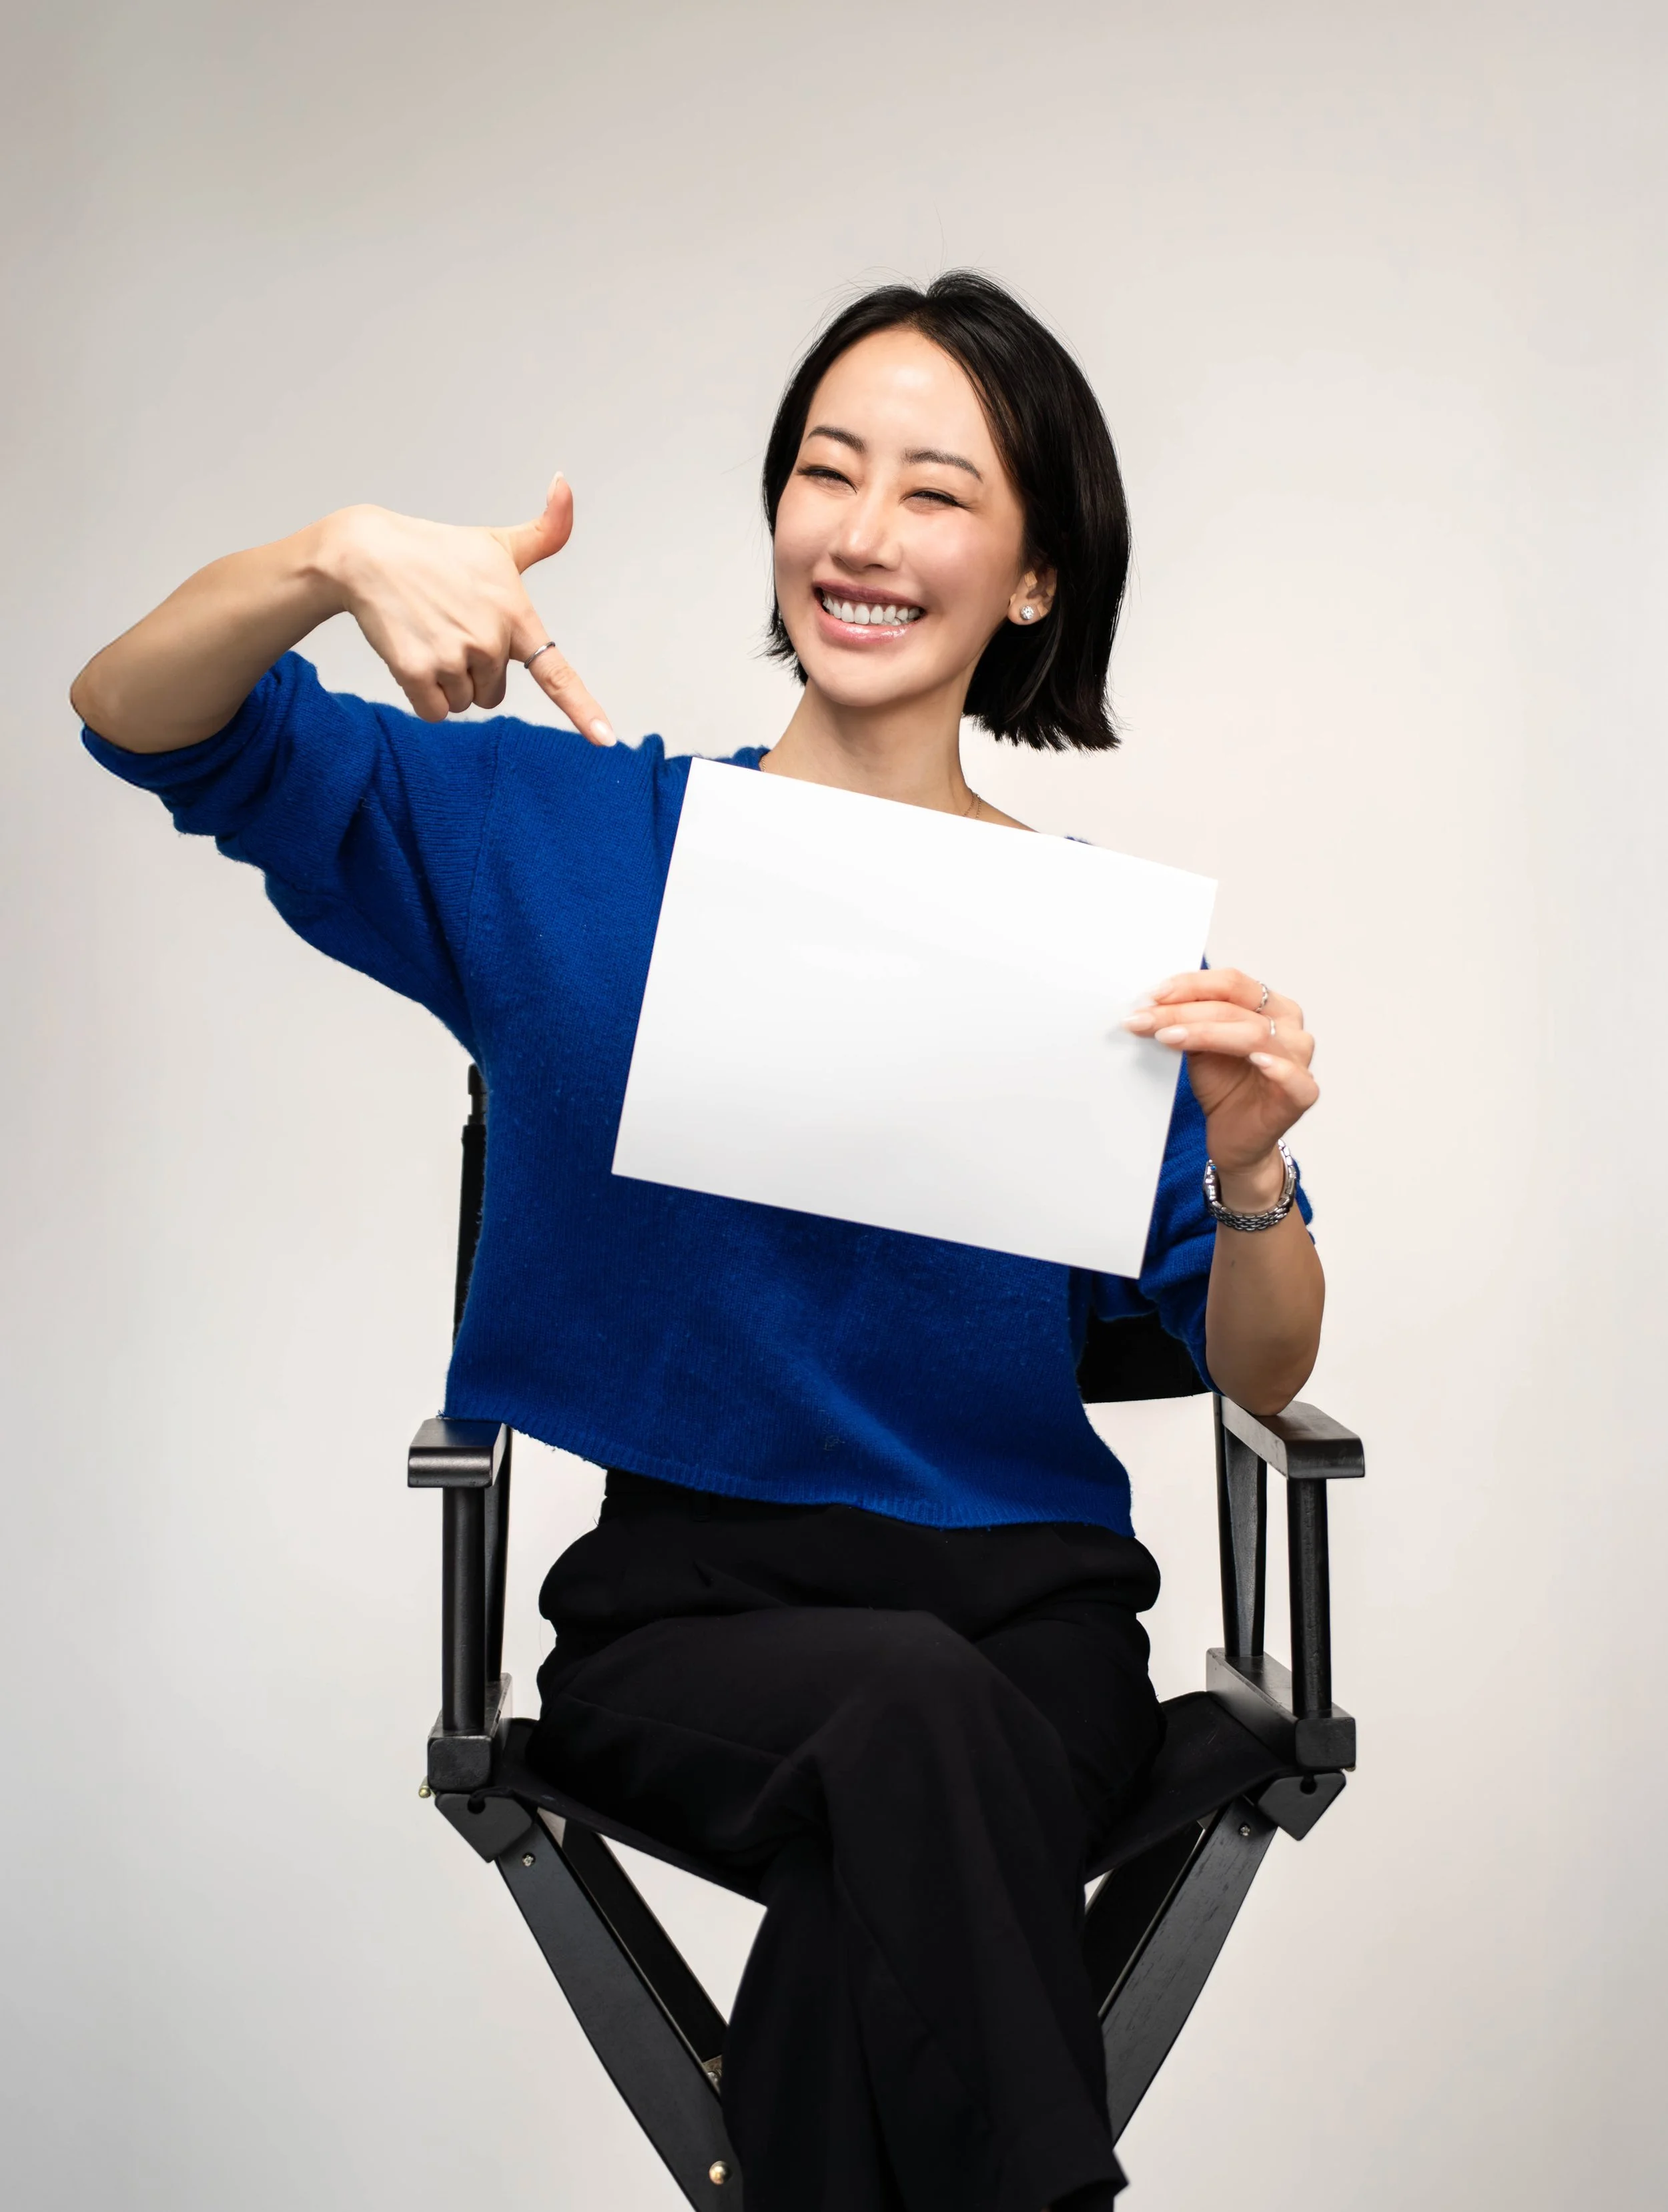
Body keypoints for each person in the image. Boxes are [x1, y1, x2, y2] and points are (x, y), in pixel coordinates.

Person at [71, 271, 1324, 2212]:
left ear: (1035, 580)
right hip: (690, 1625)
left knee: (898, 1833)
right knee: (913, 1747)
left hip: (1030, 1631)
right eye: (827, 473)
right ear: (777, 519)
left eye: (934, 491)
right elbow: (144, 717)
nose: (863, 530)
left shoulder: (1101, 966)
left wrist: (1245, 1171)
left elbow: (1259, 1368)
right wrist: (326, 558)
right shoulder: (569, 843)